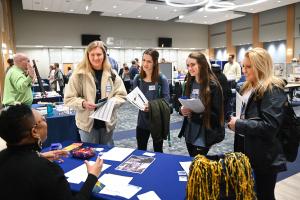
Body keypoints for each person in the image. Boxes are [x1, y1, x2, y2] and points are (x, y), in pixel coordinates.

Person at [0, 104, 103, 200]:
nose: (46, 123)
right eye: (43, 119)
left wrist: (39, 156)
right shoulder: (47, 170)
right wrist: (92, 177)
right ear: (34, 131)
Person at [227, 48, 287, 200]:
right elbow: (243, 114)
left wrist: (239, 124)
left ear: (260, 66)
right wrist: (234, 121)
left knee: (264, 195)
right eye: (243, 66)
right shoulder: (245, 86)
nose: (244, 70)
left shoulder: (273, 89)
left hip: (264, 155)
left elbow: (270, 127)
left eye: (248, 66)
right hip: (244, 148)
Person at [64, 41, 127, 145]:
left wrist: (111, 103)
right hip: (87, 125)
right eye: (92, 55)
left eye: (99, 54)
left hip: (107, 123)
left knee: (107, 154)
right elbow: (68, 99)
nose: (96, 58)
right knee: (91, 156)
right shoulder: (78, 75)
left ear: (104, 55)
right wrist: (83, 103)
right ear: (87, 55)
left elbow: (122, 95)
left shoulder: (112, 74)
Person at [178, 52, 224, 157]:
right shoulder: (189, 82)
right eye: (188, 66)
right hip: (189, 131)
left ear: (202, 65)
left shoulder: (213, 86)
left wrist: (197, 113)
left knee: (199, 163)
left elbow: (217, 116)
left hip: (204, 132)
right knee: (192, 160)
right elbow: (182, 102)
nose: (190, 68)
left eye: (193, 65)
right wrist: (181, 109)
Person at [133, 48, 170, 153]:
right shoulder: (137, 79)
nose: (145, 64)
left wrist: (151, 106)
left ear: (155, 63)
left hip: (157, 121)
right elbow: (135, 97)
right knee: (141, 150)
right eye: (143, 60)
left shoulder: (161, 79)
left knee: (158, 151)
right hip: (142, 121)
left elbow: (166, 100)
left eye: (149, 61)